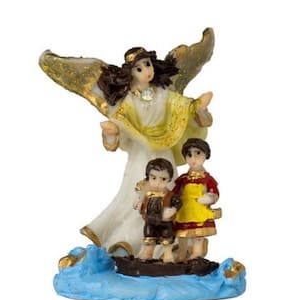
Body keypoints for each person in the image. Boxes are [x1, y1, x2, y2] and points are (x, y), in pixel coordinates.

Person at [82, 47, 213, 255]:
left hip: (163, 151)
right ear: (131, 73)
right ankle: (127, 242)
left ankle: (168, 246)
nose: (147, 71)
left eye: (148, 65)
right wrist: (112, 132)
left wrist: (196, 107)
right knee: (136, 196)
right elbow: (121, 128)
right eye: (139, 68)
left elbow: (180, 105)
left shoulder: (162, 93)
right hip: (141, 155)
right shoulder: (127, 102)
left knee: (168, 195)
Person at [172, 138, 220, 260]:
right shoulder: (183, 179)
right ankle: (182, 253)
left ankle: (197, 252)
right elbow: (175, 192)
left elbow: (214, 192)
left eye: (197, 153)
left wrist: (210, 198)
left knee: (199, 233)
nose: (193, 158)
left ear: (205, 155)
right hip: (184, 211)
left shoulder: (207, 179)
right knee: (182, 234)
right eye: (189, 154)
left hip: (199, 210)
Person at [133, 158, 182, 263]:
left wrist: (173, 210)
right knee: (149, 237)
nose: (158, 183)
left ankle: (168, 256)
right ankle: (148, 254)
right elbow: (141, 203)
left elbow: (178, 202)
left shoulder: (169, 195)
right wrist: (139, 204)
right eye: (154, 178)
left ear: (169, 179)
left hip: (165, 223)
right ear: (148, 177)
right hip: (150, 221)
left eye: (163, 179)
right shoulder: (147, 194)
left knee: (167, 239)